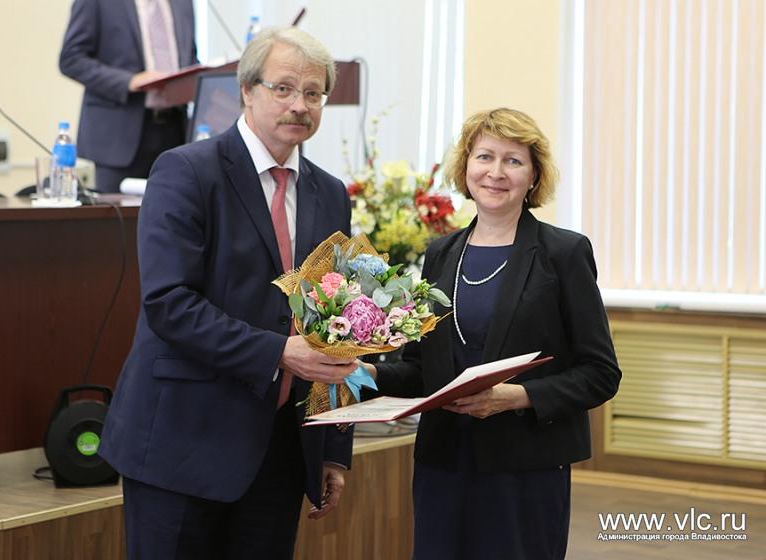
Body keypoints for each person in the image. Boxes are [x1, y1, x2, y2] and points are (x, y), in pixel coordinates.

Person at [98, 27, 357, 559]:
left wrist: (333, 445)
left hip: (279, 451)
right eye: (283, 88)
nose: (299, 105)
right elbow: (169, 303)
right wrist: (279, 352)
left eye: (313, 93)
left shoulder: (330, 193)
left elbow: (334, 323)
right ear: (246, 90)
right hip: (181, 441)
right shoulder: (185, 171)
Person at [361, 108, 622, 559]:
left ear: (533, 175)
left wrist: (516, 397)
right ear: (466, 166)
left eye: (513, 160)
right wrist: (365, 373)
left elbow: (600, 373)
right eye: (484, 156)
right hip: (443, 464)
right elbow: (423, 370)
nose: (496, 172)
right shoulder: (440, 253)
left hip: (525, 467)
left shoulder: (564, 253)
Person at [59, 0, 198, 193]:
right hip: (116, 139)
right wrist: (129, 81)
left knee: (175, 209)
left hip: (176, 133)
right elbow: (71, 59)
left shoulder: (184, 3)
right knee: (115, 213)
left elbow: (189, 57)